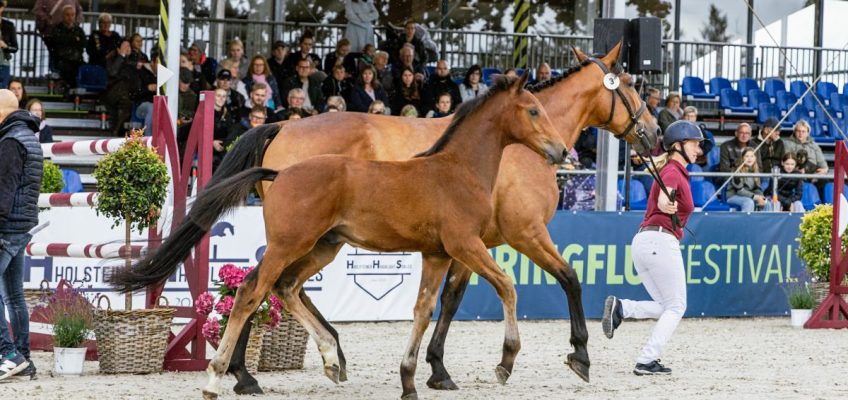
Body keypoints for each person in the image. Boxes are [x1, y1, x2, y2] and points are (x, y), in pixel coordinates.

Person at [602, 120, 703, 376]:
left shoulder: (674, 170)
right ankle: (647, 360)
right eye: (694, 144)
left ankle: (623, 308)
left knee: (665, 304)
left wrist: (667, 204)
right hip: (660, 241)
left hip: (645, 242)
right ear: (678, 145)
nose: (698, 150)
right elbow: (663, 196)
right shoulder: (673, 170)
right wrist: (666, 204)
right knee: (677, 306)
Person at [0, 88, 42, 380]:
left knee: (12, 295)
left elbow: (3, 190)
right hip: (21, 224)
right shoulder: (28, 136)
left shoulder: (10, 141)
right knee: (14, 295)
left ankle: (8, 353)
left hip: (6, 225)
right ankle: (24, 358)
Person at [47, 5, 86, 88]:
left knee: (85, 69)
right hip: (61, 59)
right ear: (62, 15)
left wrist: (69, 40)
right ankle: (70, 88)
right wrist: (74, 40)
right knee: (68, 69)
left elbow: (83, 44)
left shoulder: (79, 30)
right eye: (67, 15)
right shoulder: (57, 29)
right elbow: (56, 44)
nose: (70, 17)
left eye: (72, 15)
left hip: (77, 60)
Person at [103, 39, 136, 137]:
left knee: (126, 101)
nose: (127, 49)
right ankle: (117, 129)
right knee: (122, 87)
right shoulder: (112, 60)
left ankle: (118, 129)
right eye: (124, 46)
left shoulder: (133, 61)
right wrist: (121, 56)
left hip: (130, 93)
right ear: (118, 49)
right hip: (113, 92)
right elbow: (112, 72)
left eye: (128, 46)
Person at [726, 147, 766, 212]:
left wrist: (761, 197)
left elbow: (757, 188)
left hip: (750, 196)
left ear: (755, 158)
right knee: (749, 202)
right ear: (742, 158)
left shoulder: (756, 171)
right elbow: (740, 191)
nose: (749, 159)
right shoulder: (736, 170)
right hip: (734, 196)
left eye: (752, 156)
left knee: (767, 203)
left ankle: (765, 222)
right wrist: (756, 197)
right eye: (747, 156)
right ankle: (746, 222)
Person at [0, 1, 17, 90]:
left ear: (2, 8)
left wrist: (5, 46)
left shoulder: (9, 26)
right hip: (3, 65)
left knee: (2, 93)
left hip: (3, 65)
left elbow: (15, 48)